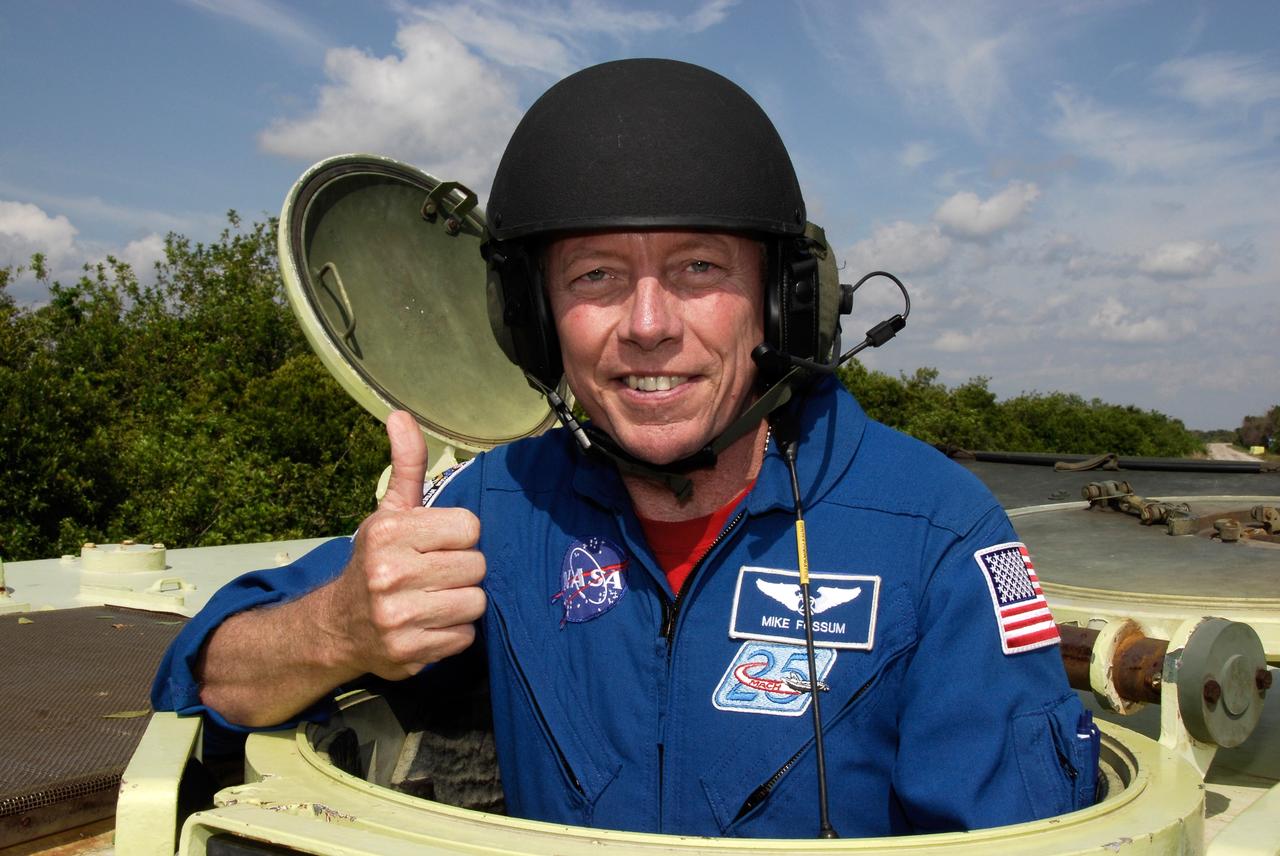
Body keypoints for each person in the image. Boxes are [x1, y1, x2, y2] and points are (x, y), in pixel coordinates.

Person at [153, 58, 1096, 838]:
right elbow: (210, 671)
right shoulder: (499, 508)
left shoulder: (935, 534)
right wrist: (342, 629)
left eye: (698, 268)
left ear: (784, 302)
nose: (647, 326)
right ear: (532, 320)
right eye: (596, 275)